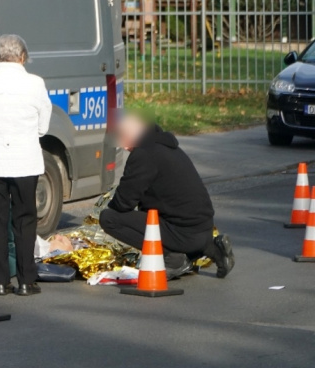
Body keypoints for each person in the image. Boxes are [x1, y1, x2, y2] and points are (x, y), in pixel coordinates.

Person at [99, 113, 234, 279]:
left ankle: (172, 257)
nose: (124, 147)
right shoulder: (166, 146)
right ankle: (214, 249)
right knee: (162, 216)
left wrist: (111, 204)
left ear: (128, 138)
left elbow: (123, 203)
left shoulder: (143, 155)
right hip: (203, 230)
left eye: (122, 140)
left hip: (183, 234)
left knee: (109, 218)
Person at [0, 34, 52, 296]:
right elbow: (43, 126)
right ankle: (27, 281)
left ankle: (0, 282)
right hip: (24, 161)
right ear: (23, 57)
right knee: (25, 219)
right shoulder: (35, 84)